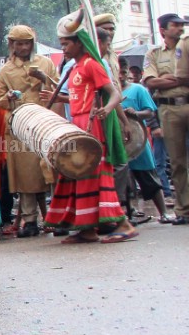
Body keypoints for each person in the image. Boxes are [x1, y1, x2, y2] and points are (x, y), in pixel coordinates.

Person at [42, 12, 138, 243]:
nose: (63, 48)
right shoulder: (74, 68)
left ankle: (124, 224)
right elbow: (78, 98)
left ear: (79, 43)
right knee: (76, 174)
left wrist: (106, 109)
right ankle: (86, 229)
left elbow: (114, 93)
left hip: (92, 127)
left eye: (66, 44)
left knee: (95, 176)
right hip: (77, 125)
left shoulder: (92, 65)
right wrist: (60, 100)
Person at [0, 25, 58, 238]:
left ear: (33, 43)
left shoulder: (46, 63)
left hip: (45, 122)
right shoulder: (6, 70)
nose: (22, 47)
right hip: (20, 125)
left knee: (52, 171)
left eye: (26, 43)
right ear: (12, 45)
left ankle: (57, 216)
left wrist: (43, 77)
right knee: (26, 176)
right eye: (18, 43)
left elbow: (59, 90)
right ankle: (30, 221)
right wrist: (9, 98)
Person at [143, 13, 189, 224]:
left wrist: (168, 79)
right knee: (177, 162)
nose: (180, 29)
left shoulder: (187, 47)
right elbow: (151, 82)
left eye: (182, 25)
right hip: (168, 110)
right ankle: (183, 210)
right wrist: (180, 80)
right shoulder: (153, 54)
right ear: (163, 30)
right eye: (176, 25)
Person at [118, 71, 172, 223]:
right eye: (118, 73)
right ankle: (126, 215)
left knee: (149, 177)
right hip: (119, 143)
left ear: (127, 73)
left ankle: (163, 213)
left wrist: (136, 113)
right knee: (122, 182)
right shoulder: (110, 92)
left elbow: (150, 112)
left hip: (138, 141)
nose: (120, 77)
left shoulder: (138, 89)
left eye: (123, 73)